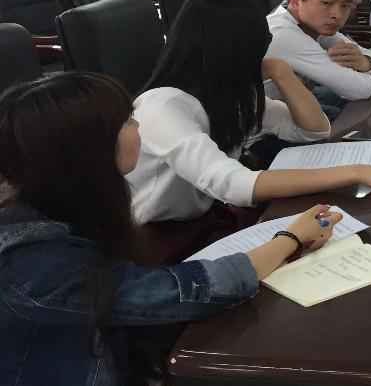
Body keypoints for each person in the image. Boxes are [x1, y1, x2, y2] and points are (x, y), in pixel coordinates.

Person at [0, 71, 341, 385]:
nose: (138, 126)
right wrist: (291, 238)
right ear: (87, 150)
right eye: (127, 121)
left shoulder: (73, 205)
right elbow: (179, 293)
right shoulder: (31, 261)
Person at [127, 0, 371, 251]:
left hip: (205, 219)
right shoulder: (163, 106)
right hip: (154, 239)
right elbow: (233, 184)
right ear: (230, 52)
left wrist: (280, 70)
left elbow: (314, 130)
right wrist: (357, 171)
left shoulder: (226, 93)